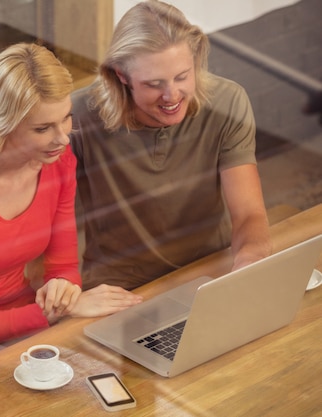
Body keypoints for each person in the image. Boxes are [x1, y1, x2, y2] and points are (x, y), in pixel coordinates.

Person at [0, 43, 141, 387]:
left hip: (23, 316)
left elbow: (62, 268)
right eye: (42, 128)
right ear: (4, 125)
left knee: (109, 378)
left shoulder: (58, 162)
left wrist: (63, 289)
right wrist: (63, 309)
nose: (62, 138)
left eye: (65, 118)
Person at [70, 0, 272, 291]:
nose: (172, 95)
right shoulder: (78, 116)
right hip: (117, 288)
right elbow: (45, 223)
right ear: (121, 75)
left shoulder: (227, 102)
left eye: (182, 76)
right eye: (154, 84)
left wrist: (249, 262)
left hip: (208, 269)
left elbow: (249, 214)